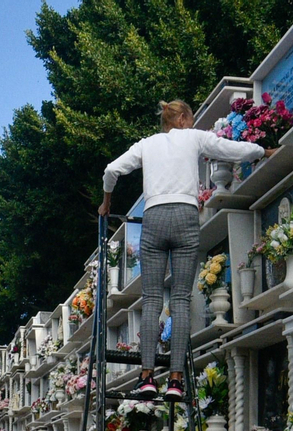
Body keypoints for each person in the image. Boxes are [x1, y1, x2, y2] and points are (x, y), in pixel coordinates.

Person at [100, 100, 273, 401]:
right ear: (182, 119)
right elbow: (232, 149)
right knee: (180, 299)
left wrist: (106, 202)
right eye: (190, 121)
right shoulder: (194, 137)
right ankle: (176, 380)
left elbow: (111, 169)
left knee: (152, 299)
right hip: (185, 215)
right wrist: (263, 151)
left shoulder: (146, 144)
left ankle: (146, 377)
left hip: (153, 218)